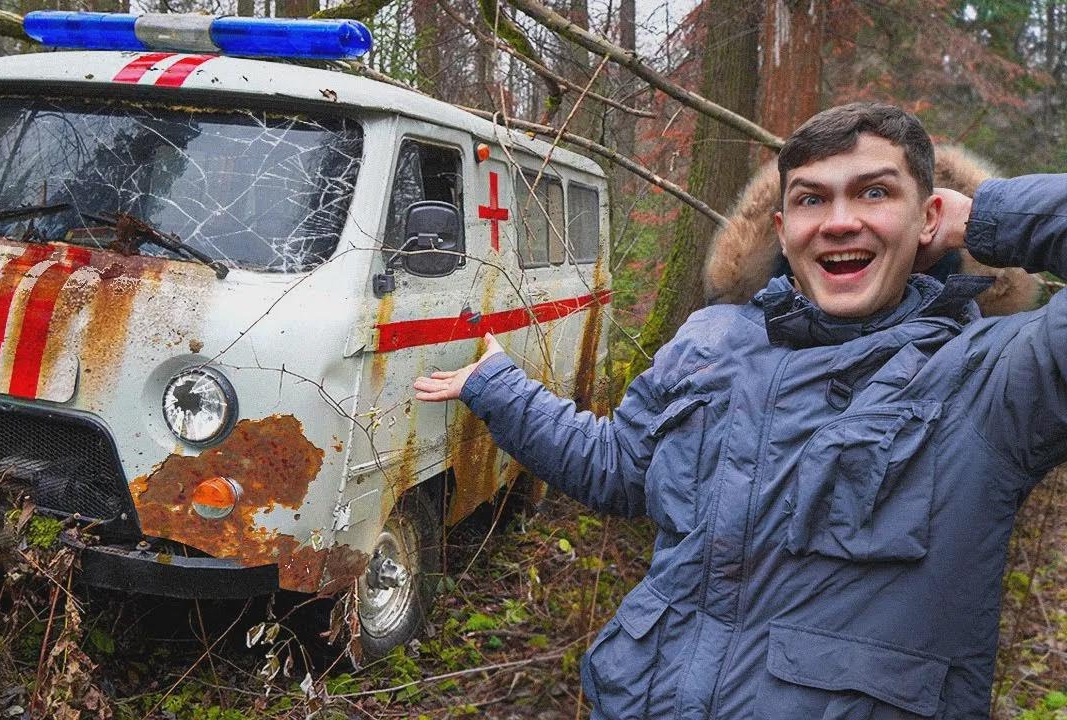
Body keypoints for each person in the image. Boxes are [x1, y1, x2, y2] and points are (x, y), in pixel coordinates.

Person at [413, 102, 1067, 719]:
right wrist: (502, 389)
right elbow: (618, 469)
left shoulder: (994, 379)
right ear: (783, 230)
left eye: (874, 192)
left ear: (929, 218)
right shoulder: (712, 339)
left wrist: (988, 220)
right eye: (812, 198)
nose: (839, 221)